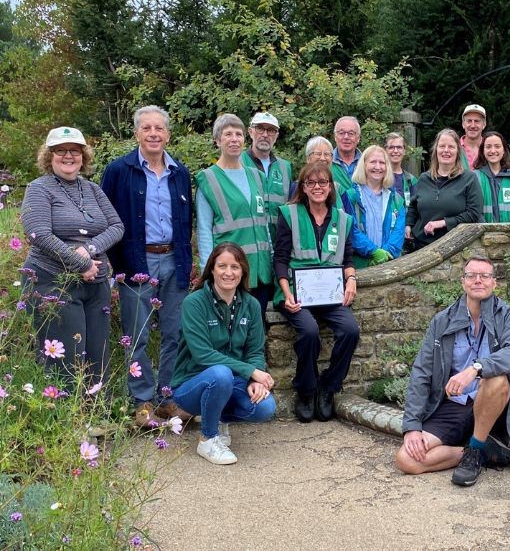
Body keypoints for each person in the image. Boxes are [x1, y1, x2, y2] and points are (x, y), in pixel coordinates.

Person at [395, 255, 510, 486]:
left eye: (484, 276)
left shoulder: (508, 315)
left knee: (496, 379)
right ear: (463, 282)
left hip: (491, 404)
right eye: (471, 276)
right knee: (407, 459)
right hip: (455, 405)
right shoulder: (442, 321)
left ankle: (475, 450)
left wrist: (476, 369)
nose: (478, 280)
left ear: (494, 283)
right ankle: (481, 451)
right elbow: (421, 372)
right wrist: (412, 427)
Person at [101, 106, 193, 428]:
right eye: (147, 128)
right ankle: (142, 402)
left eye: (159, 128)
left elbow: (186, 221)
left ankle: (167, 398)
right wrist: (116, 265)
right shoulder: (118, 170)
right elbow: (105, 219)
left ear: (168, 134)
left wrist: (186, 260)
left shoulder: (180, 172)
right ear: (137, 133)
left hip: (174, 260)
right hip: (135, 261)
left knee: (174, 332)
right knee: (136, 334)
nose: (154, 134)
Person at [21, 127, 124, 392]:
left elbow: (116, 226)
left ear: (83, 155)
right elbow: (39, 234)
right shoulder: (38, 189)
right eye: (61, 150)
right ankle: (67, 419)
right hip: (52, 282)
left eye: (75, 150)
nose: (68, 156)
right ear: (49, 155)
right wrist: (82, 264)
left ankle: (96, 417)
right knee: (65, 354)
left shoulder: (92, 189)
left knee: (96, 352)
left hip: (95, 284)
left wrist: (89, 249)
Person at [171, 243, 276, 465]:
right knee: (220, 374)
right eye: (222, 266)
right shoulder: (194, 303)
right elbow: (202, 354)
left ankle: (217, 419)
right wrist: (251, 371)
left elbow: (255, 350)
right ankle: (207, 439)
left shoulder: (251, 305)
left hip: (232, 381)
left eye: (235, 267)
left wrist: (253, 380)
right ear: (211, 269)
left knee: (265, 407)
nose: (228, 273)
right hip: (191, 384)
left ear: (243, 271)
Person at [274, 163, 360, 423]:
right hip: (297, 293)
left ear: (331, 187)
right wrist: (287, 293)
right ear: (303, 187)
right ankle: (306, 390)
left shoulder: (343, 219)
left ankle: (328, 387)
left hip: (331, 295)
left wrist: (352, 280)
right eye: (311, 183)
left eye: (323, 182)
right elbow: (279, 258)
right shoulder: (289, 214)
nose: (317, 187)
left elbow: (347, 258)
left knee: (350, 330)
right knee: (309, 332)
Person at [195, 113, 273, 312]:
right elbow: (204, 230)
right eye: (227, 134)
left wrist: (271, 257)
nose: (234, 139)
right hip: (229, 272)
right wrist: (208, 271)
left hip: (261, 269)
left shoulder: (257, 176)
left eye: (238, 134)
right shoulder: (208, 179)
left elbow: (262, 223)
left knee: (257, 330)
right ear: (217, 141)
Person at [405, 129, 483, 250]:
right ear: (436, 150)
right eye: (442, 146)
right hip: (421, 247)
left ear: (458, 151)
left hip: (455, 248)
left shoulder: (469, 179)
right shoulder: (424, 178)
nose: (446, 150)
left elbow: (473, 214)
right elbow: (414, 206)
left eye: (451, 147)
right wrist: (408, 225)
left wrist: (443, 223)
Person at [344, 145, 406, 267]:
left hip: (389, 264)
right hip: (359, 265)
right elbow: (351, 230)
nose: (378, 167)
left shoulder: (396, 200)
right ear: (364, 165)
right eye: (373, 162)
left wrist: (385, 254)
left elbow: (398, 232)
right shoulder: (351, 197)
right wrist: (373, 251)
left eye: (382, 163)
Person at [242, 112, 293, 237]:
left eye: (271, 130)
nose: (265, 135)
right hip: (248, 240)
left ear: (276, 136)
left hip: (278, 242)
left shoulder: (285, 167)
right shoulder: (239, 162)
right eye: (260, 128)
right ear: (250, 131)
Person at [474, 131, 510, 223]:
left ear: (504, 150)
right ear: (483, 150)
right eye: (488, 147)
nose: (493, 150)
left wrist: (509, 232)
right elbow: (475, 209)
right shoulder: (475, 176)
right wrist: (486, 231)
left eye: (497, 146)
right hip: (483, 234)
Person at [386, 132, 418, 207]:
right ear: (385, 150)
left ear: (404, 151)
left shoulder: (411, 181)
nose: (395, 151)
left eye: (399, 147)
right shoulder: (377, 178)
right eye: (391, 147)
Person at [331, 116, 362, 194]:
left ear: (358, 138)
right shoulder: (326, 163)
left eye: (351, 133)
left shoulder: (367, 163)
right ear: (335, 136)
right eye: (341, 133)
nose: (346, 137)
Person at [459, 104, 487, 169]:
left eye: (477, 121)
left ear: (484, 124)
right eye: (469, 121)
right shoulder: (453, 147)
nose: (473, 125)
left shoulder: (490, 149)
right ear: (463, 124)